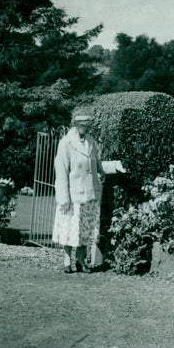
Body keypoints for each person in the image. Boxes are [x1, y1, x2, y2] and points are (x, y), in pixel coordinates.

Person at [52, 107, 104, 273]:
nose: (85, 127)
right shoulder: (66, 143)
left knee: (84, 229)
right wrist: (63, 198)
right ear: (75, 124)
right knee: (70, 228)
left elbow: (96, 165)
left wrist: (115, 167)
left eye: (87, 124)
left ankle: (81, 259)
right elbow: (61, 173)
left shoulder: (91, 141)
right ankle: (67, 258)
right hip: (73, 195)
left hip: (89, 193)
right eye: (81, 124)